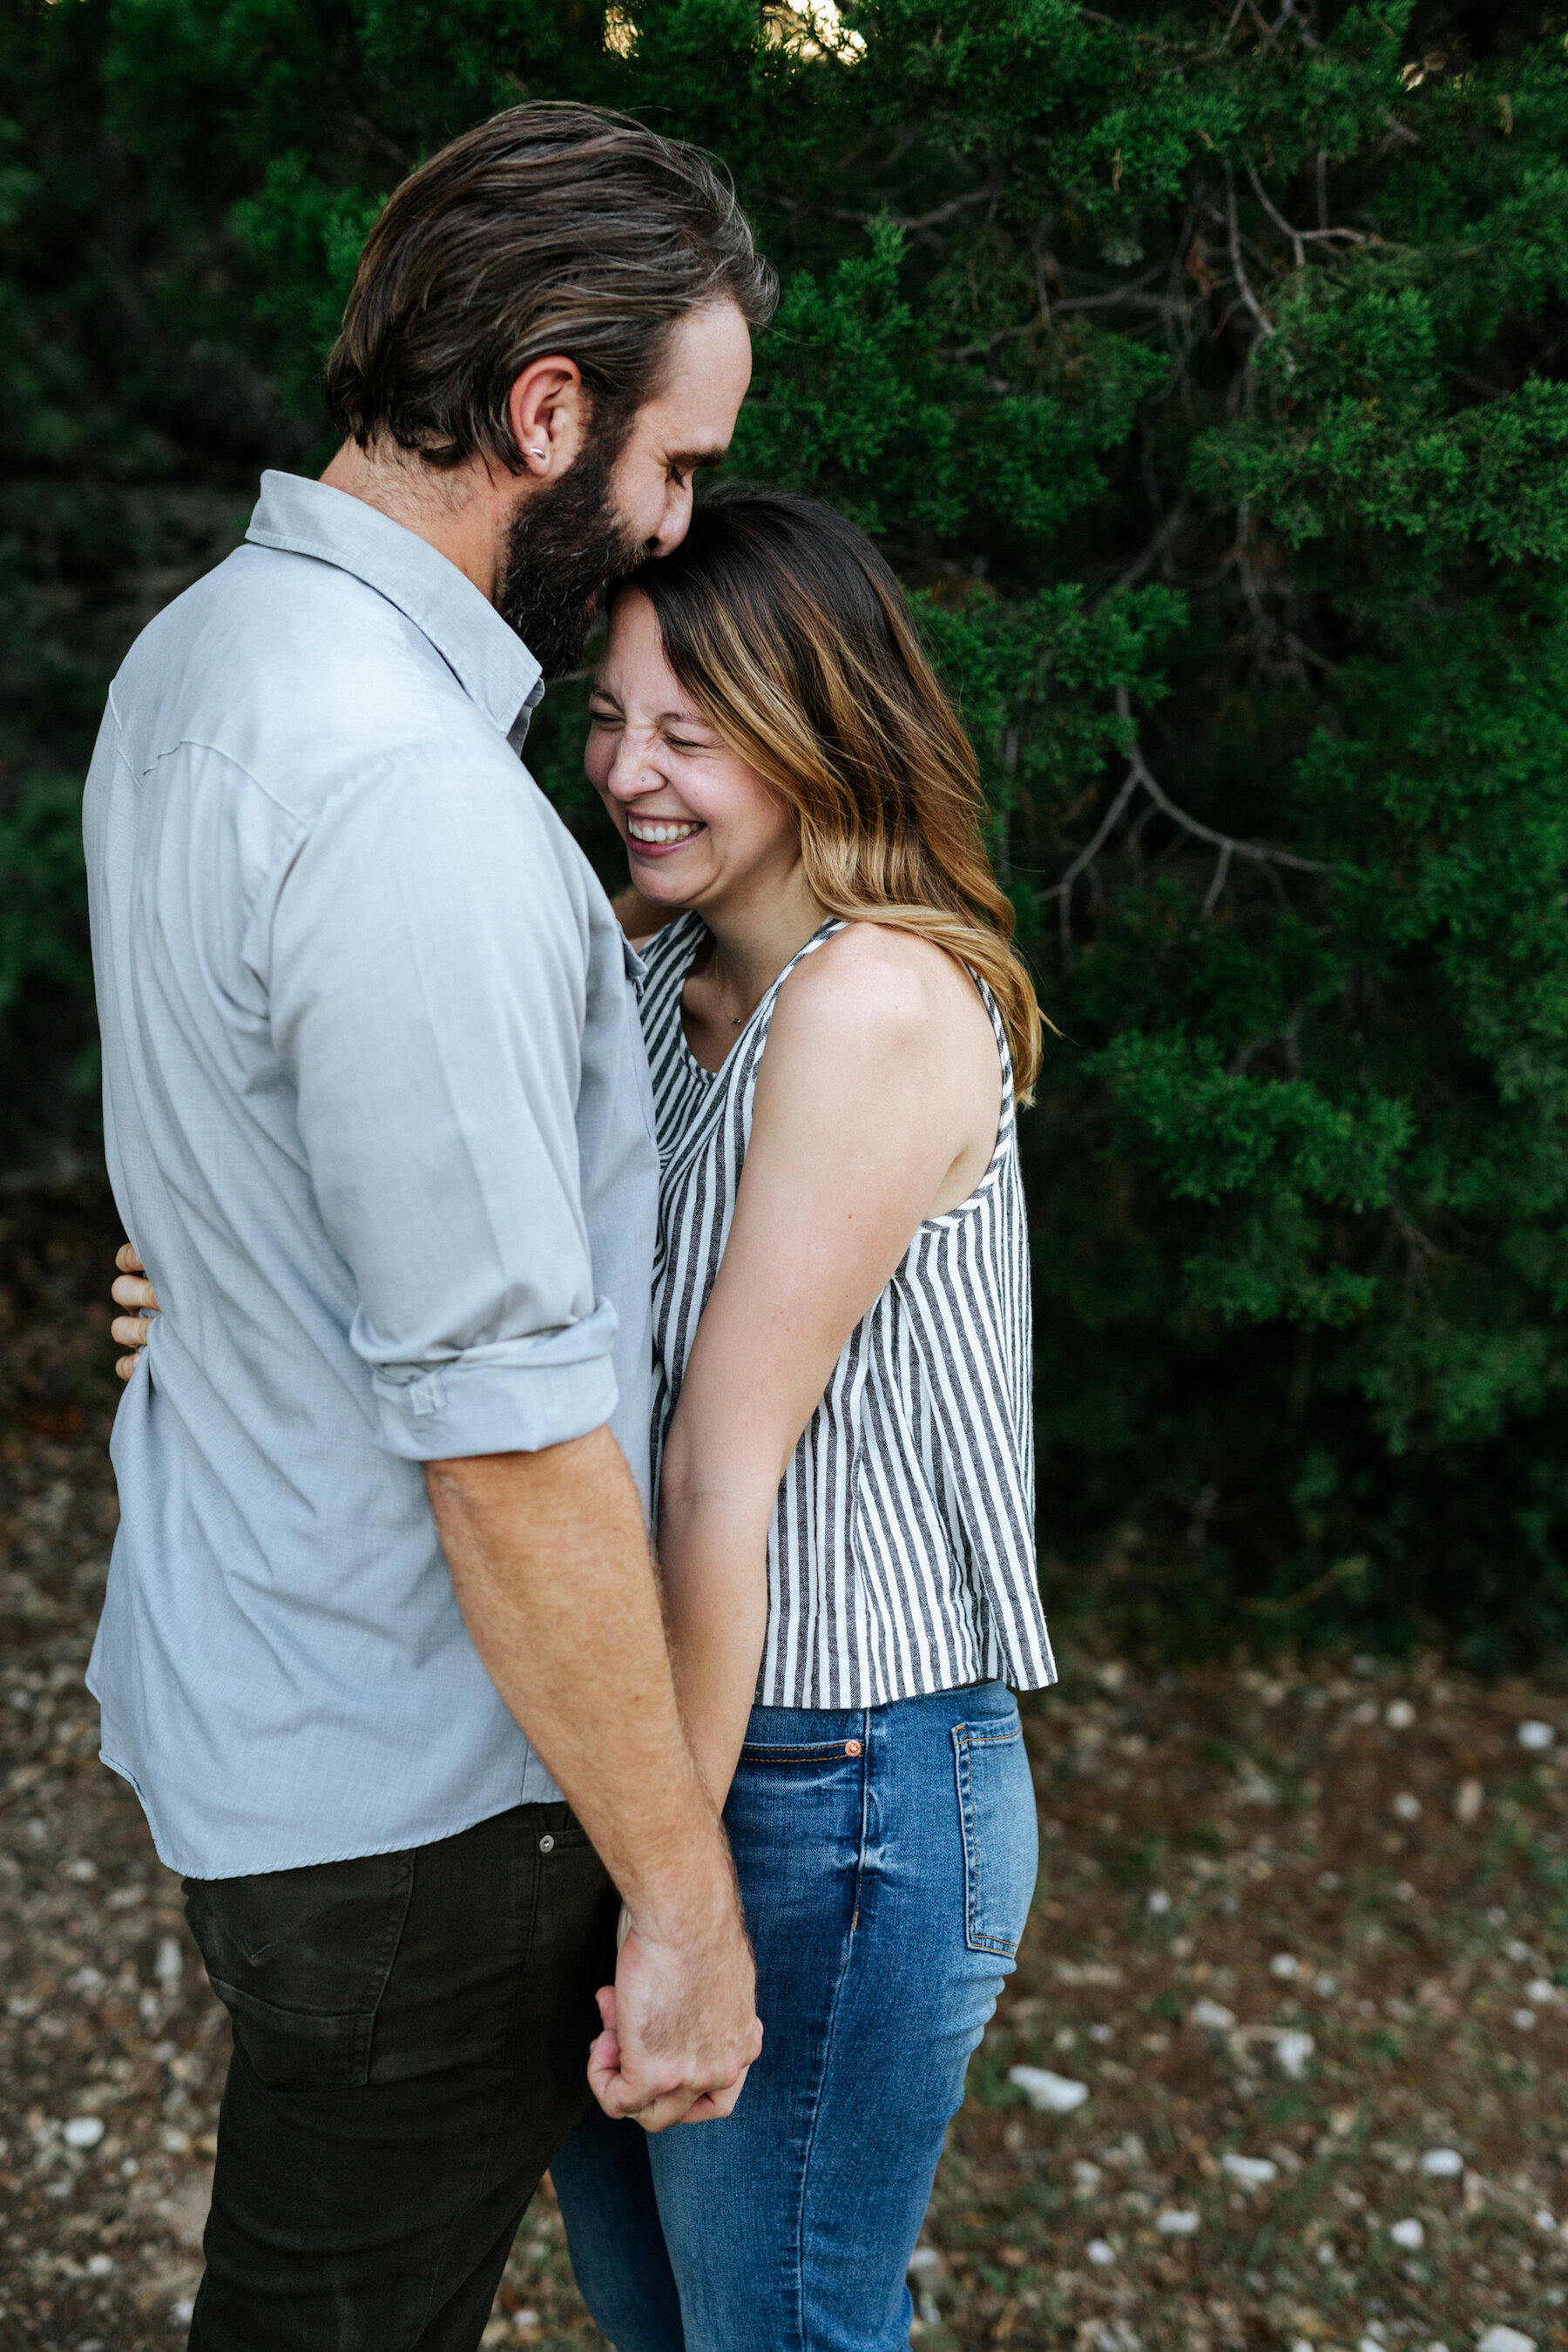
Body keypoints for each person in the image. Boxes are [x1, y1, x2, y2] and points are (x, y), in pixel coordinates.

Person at [115, 486, 1058, 2350]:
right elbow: (466, 1287)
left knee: (780, 2328)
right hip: (661, 1753)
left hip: (841, 1780)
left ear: (822, 726)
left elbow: (716, 1463)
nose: (632, 772)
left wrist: (665, 1887)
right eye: (609, 718)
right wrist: (203, 1293)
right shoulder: (647, 973)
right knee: (661, 2321)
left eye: (694, 736)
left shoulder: (872, 1000)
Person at [85, 101, 774, 2352]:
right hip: (414, 1793)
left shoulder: (199, 662)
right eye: (670, 465)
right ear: (544, 411)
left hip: (260, 1706)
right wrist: (680, 1894)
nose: (674, 522)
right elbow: (501, 1438)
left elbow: (249, 1172)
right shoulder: (405, 794)